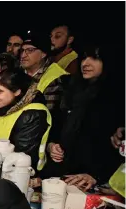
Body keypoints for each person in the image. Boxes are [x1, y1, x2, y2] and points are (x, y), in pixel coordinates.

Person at [44, 44, 124, 189]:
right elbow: (55, 125)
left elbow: (116, 149)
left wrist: (96, 176)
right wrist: (51, 146)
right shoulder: (71, 89)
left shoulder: (117, 99)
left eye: (95, 58)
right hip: (62, 174)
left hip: (94, 183)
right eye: (84, 58)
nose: (85, 63)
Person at [0, 69, 51, 171]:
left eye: (0, 91)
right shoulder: (6, 108)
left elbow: (22, 157)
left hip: (18, 173)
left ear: (17, 91)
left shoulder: (32, 114)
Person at [20, 33, 68, 111]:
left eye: (30, 50)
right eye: (22, 50)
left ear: (43, 54)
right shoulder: (16, 71)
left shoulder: (55, 76)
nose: (23, 55)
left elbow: (47, 112)